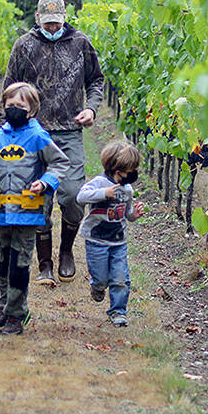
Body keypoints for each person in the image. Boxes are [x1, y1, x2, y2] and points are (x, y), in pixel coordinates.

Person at [5, 0, 105, 286]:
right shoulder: (24, 46)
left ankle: (66, 251)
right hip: (33, 134)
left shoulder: (80, 44)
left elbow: (96, 81)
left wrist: (91, 108)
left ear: (64, 19)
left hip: (69, 132)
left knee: (74, 195)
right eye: (47, 23)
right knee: (38, 199)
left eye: (56, 23)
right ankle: (45, 263)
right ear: (37, 19)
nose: (51, 28)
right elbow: (10, 88)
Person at [0, 82, 71, 335]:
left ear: (32, 110)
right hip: (1, 213)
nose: (14, 109)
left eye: (20, 106)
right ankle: (4, 304)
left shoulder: (38, 137)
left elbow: (61, 162)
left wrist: (45, 182)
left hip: (28, 213)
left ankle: (17, 313)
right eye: (10, 106)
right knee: (2, 261)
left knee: (19, 263)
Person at [76, 140, 145, 327]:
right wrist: (103, 193)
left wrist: (134, 215)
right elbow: (81, 197)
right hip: (96, 239)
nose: (133, 174)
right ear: (118, 168)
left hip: (118, 241)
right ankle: (97, 286)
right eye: (131, 169)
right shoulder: (99, 183)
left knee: (121, 278)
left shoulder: (128, 189)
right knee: (101, 278)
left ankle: (118, 311)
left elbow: (127, 214)